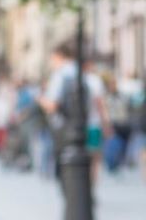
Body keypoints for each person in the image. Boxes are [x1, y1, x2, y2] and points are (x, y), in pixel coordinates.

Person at [39, 44, 109, 186]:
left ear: (59, 56)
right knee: (93, 159)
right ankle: (89, 188)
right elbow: (100, 104)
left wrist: (40, 100)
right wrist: (106, 123)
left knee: (70, 163)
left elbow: (52, 105)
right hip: (91, 124)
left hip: (68, 128)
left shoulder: (61, 75)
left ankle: (79, 192)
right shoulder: (87, 77)